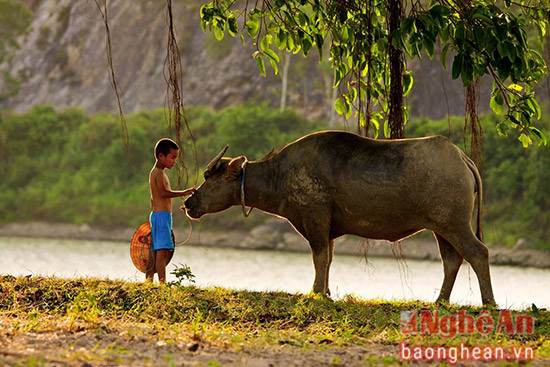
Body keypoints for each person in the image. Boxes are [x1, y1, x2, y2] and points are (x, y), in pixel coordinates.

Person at [147, 138, 195, 283]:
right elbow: (163, 193)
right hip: (161, 217)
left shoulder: (157, 172)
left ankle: (149, 281)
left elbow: (154, 198)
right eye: (173, 157)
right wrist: (184, 192)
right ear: (161, 156)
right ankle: (162, 284)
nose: (175, 162)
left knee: (155, 252)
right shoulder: (158, 173)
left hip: (159, 216)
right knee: (161, 253)